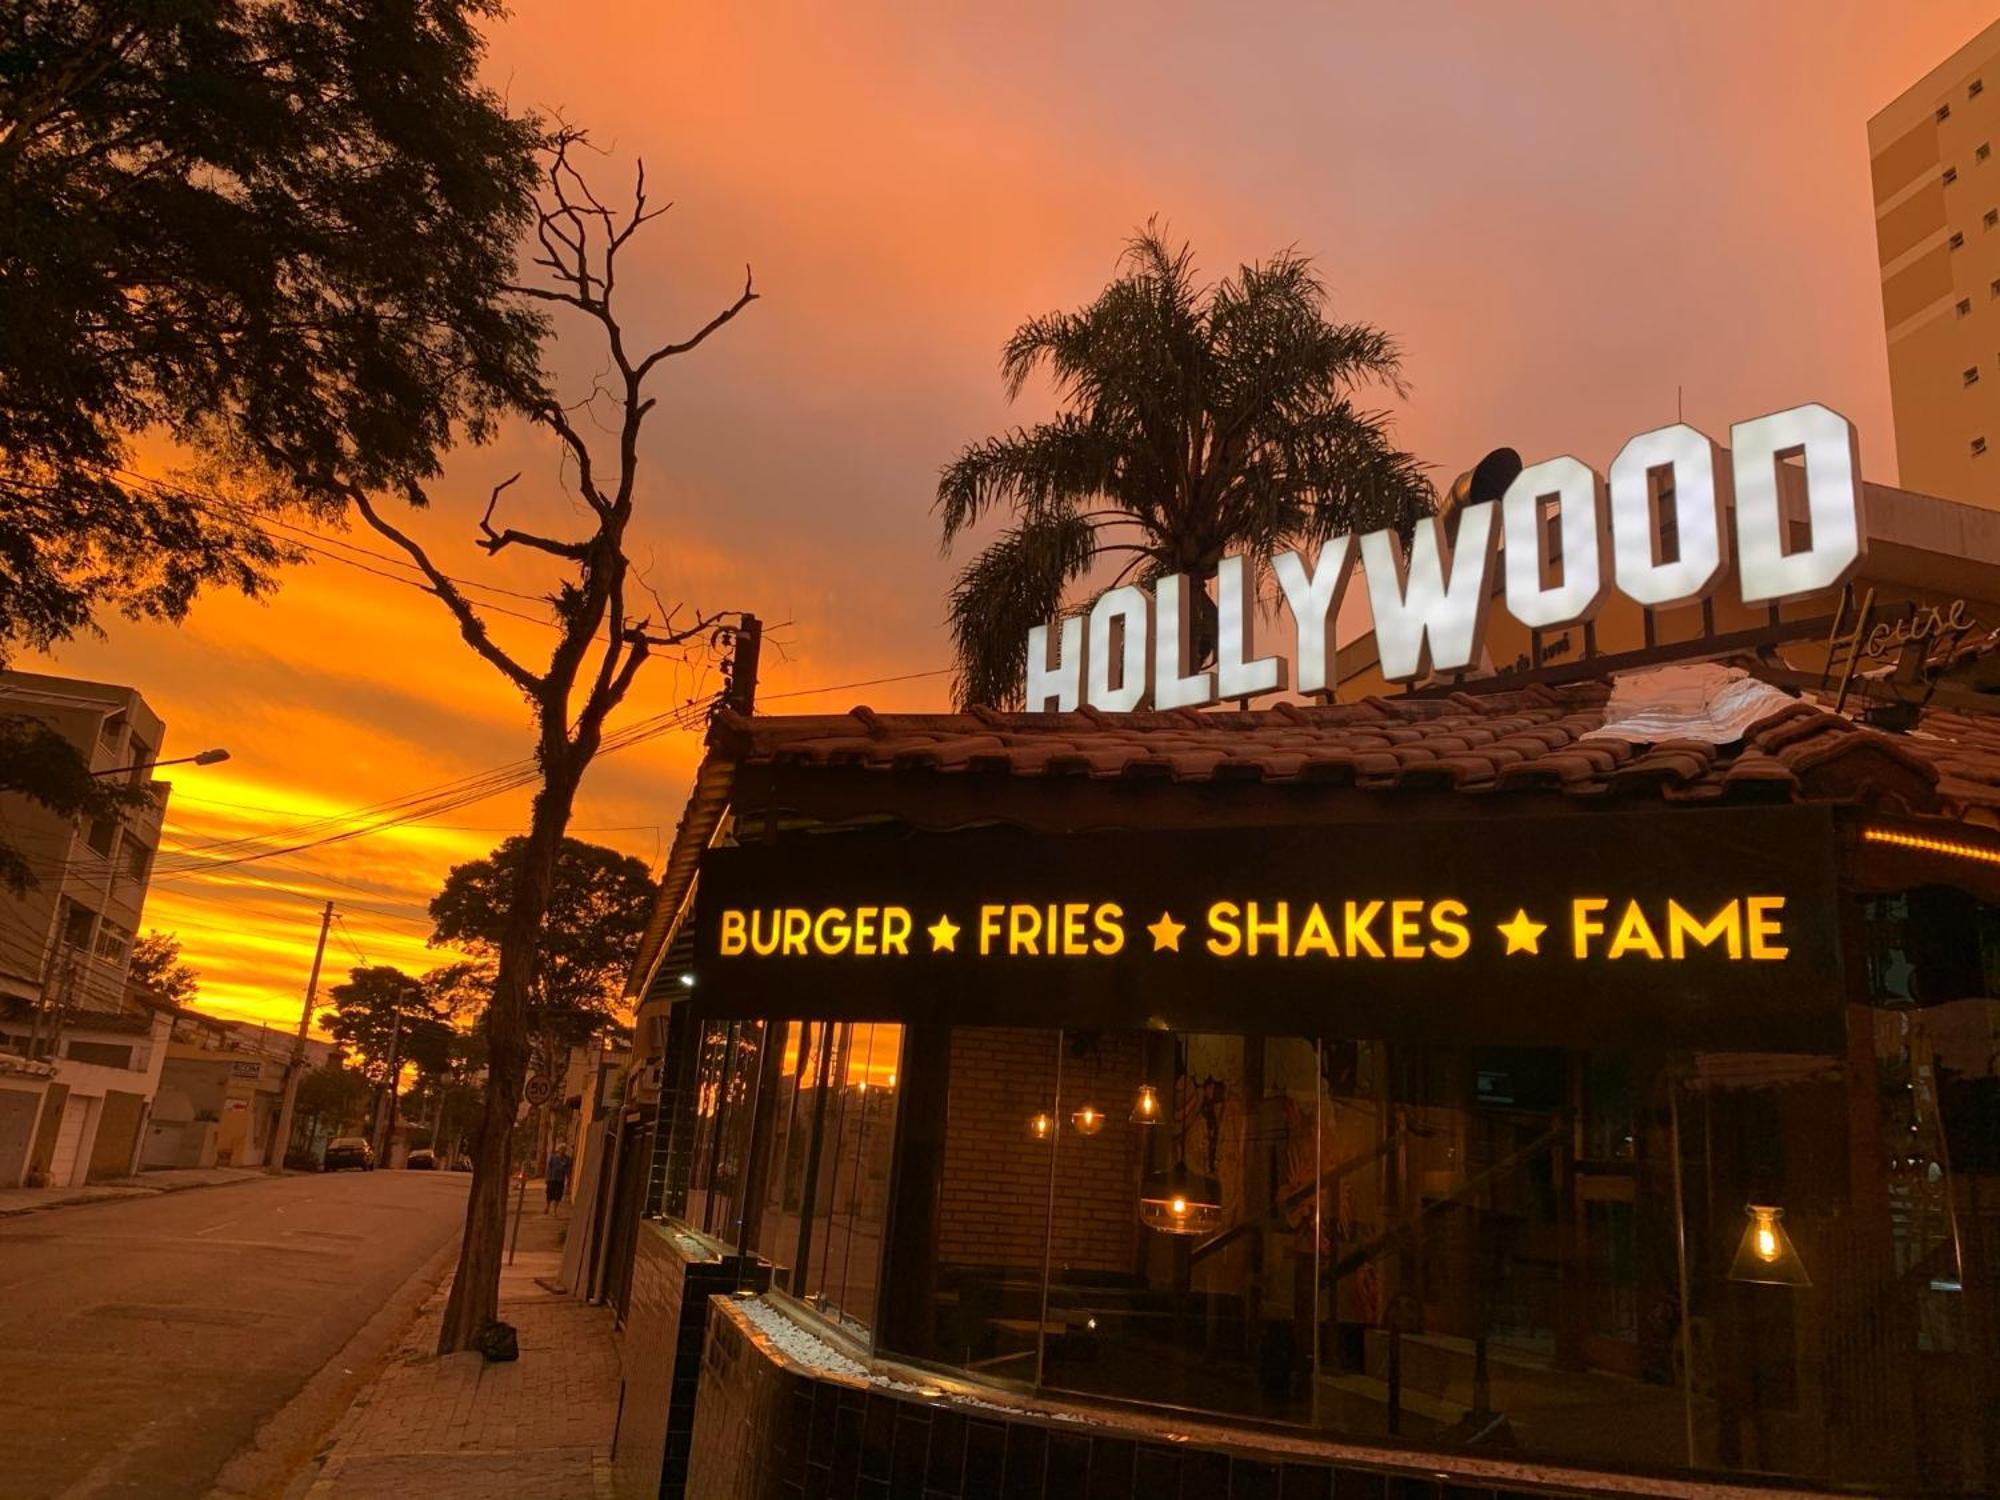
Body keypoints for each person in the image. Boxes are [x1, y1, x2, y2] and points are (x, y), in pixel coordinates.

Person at [543, 1143, 572, 1213]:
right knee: (549, 1193)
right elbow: (549, 1168)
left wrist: (568, 1179)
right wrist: (547, 1177)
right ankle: (547, 1207)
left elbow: (568, 1170)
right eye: (561, 1149)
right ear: (558, 1150)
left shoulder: (567, 1159)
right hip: (552, 1178)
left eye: (564, 1149)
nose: (562, 1150)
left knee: (558, 1195)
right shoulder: (553, 1157)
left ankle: (555, 1210)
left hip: (560, 1179)